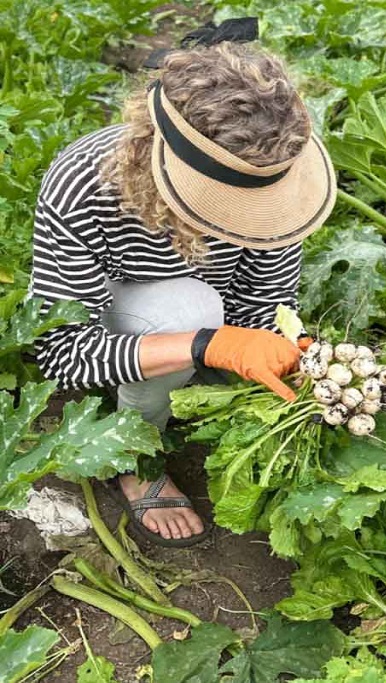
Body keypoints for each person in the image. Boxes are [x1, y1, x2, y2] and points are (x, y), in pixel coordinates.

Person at [30, 42, 337, 545]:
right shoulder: (83, 184)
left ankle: (185, 363)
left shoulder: (271, 178)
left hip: (204, 313)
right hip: (119, 311)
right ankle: (132, 452)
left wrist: (290, 354)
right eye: (226, 205)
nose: (244, 222)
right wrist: (203, 345)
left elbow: (263, 301)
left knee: (222, 327)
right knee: (188, 311)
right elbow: (60, 353)